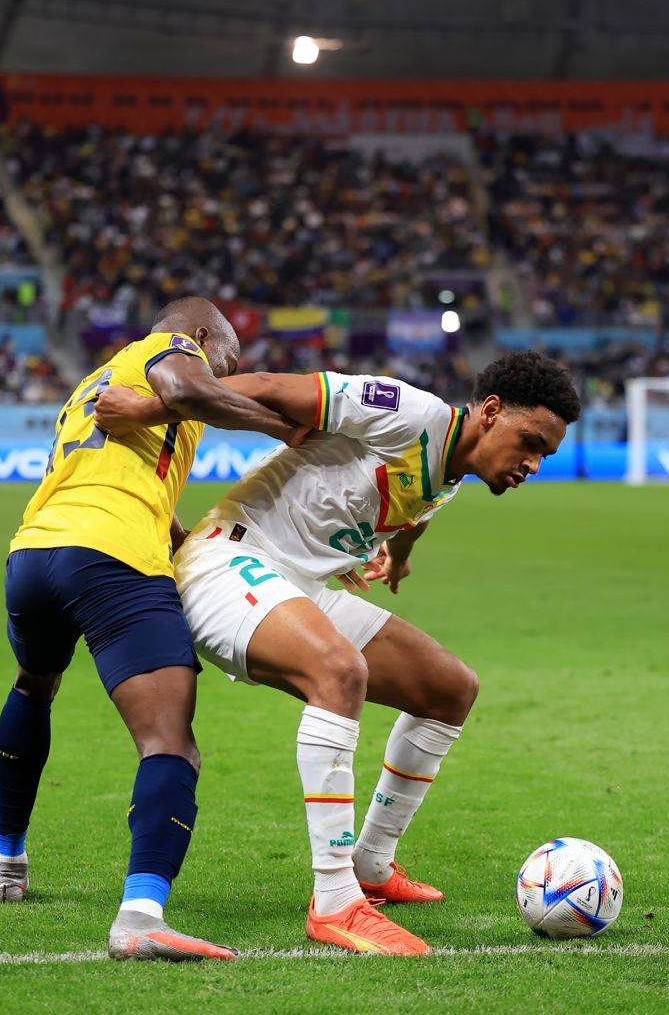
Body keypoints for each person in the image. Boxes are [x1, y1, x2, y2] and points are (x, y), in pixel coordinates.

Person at [95, 351, 581, 956]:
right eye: (530, 442)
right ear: (488, 412)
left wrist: (397, 557)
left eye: (545, 455)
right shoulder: (407, 412)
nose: (533, 463)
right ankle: (334, 899)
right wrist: (147, 408)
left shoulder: (452, 467)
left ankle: (373, 863)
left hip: (295, 583)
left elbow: (418, 506)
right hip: (226, 561)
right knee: (339, 668)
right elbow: (272, 386)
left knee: (450, 688)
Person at [0, 297, 301, 963]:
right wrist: (285, 427)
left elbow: (132, 487)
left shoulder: (93, 383)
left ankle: (6, 859)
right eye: (226, 362)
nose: (223, 375)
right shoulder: (174, 352)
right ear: (203, 335)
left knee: (34, 685)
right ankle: (140, 917)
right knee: (169, 744)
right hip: (112, 558)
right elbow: (190, 389)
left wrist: (195, 545)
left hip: (33, 555)